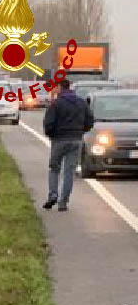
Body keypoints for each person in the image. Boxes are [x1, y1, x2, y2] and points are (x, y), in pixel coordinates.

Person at [42, 77, 95, 212]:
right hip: (75, 139)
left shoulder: (56, 104)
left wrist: (50, 134)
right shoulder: (81, 102)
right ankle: (63, 202)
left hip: (59, 139)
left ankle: (53, 194)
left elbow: (48, 123)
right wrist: (81, 131)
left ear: (60, 87)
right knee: (69, 172)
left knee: (54, 168)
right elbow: (90, 120)